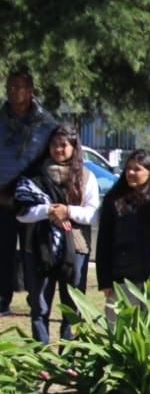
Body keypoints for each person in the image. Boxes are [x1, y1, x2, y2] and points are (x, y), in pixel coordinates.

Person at [9, 124, 99, 343]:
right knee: (39, 304)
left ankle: (67, 358)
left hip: (75, 248)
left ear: (74, 147)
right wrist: (48, 211)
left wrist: (67, 211)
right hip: (38, 247)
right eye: (54, 145)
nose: (59, 149)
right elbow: (22, 212)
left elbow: (93, 214)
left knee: (72, 304)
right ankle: (41, 356)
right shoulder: (34, 177)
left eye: (64, 145)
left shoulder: (86, 177)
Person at [0, 71, 58, 316]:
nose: (13, 90)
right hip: (0, 196)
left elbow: (52, 159)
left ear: (31, 90)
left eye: (19, 86)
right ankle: (2, 300)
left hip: (31, 196)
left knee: (32, 251)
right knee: (1, 251)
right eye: (10, 86)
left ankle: (37, 302)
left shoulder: (46, 124)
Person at [95, 150, 150, 325]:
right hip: (123, 277)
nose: (130, 173)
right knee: (119, 328)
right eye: (128, 169)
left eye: (136, 169)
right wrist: (105, 281)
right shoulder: (114, 201)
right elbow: (104, 243)